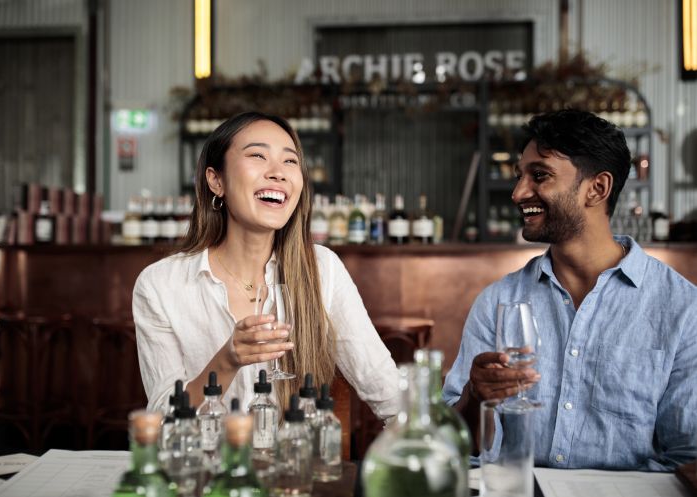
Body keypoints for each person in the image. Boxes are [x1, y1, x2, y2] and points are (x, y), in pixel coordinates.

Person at [443, 109, 697, 471]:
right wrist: (474, 398)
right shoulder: (498, 302)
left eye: (540, 176)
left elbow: (688, 459)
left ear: (597, 188)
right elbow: (456, 450)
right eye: (519, 177)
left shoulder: (683, 310)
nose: (518, 193)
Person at [133, 111, 399, 419]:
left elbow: (386, 389)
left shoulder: (322, 268)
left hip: (293, 465)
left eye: (290, 161)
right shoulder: (160, 285)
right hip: (205, 465)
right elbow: (163, 421)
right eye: (258, 156)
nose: (279, 172)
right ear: (216, 180)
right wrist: (227, 361)